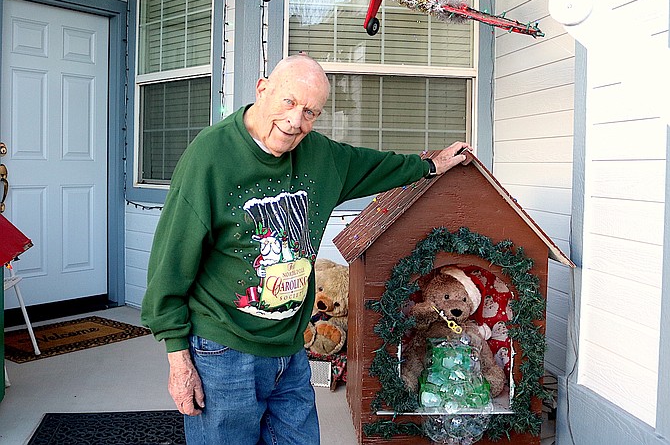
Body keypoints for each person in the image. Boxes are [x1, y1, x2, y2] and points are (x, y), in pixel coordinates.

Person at [141, 54, 470, 445]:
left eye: (311, 112)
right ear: (263, 89)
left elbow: (375, 165)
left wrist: (430, 167)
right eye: (289, 102)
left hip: (290, 349)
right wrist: (179, 361)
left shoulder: (320, 156)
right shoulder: (210, 157)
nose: (297, 120)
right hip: (224, 348)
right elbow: (170, 264)